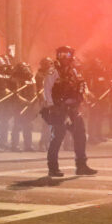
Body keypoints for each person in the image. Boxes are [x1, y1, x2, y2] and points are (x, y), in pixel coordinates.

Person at [41, 46, 97, 177]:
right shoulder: (53, 71)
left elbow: (81, 84)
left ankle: (81, 166)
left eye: (67, 54)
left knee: (80, 136)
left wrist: (86, 95)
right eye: (61, 54)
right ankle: (53, 168)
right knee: (58, 137)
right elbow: (47, 89)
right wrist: (51, 105)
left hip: (73, 109)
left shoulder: (74, 71)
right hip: (59, 108)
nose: (64, 57)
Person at [10, 62, 38, 152]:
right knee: (17, 125)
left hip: (29, 104)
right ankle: (14, 145)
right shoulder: (15, 79)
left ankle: (28, 145)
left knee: (28, 125)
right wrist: (24, 101)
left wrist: (33, 100)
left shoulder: (31, 79)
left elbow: (34, 91)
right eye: (24, 69)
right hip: (18, 105)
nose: (26, 70)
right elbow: (16, 93)